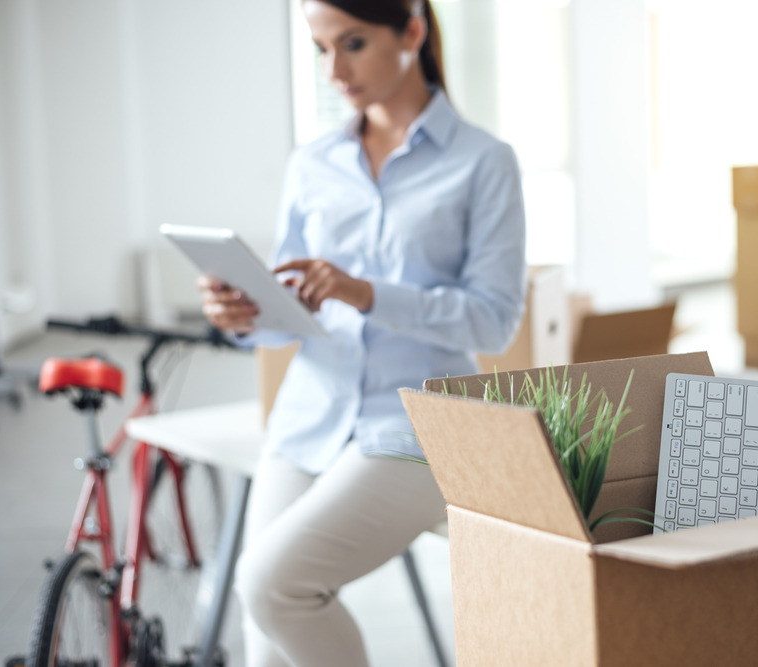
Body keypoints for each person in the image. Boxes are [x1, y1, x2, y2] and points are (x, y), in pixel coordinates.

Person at [197, 1, 526, 665]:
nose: (333, 69)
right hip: (310, 415)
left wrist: (366, 292)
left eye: (352, 43)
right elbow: (295, 307)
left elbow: (492, 319)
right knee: (266, 640)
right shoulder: (312, 162)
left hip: (424, 420)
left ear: (412, 28)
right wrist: (244, 315)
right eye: (321, 48)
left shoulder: (484, 161)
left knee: (270, 584)